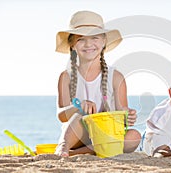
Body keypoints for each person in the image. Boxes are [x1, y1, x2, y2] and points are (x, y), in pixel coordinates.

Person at [54, 10, 141, 157]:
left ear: (104, 42)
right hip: (78, 136)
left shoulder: (116, 77)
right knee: (79, 117)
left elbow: (122, 113)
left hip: (105, 136)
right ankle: (64, 146)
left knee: (134, 136)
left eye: (94, 38)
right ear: (72, 44)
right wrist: (78, 107)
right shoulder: (66, 77)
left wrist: (128, 115)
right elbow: (61, 116)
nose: (88, 44)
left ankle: (75, 153)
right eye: (81, 39)